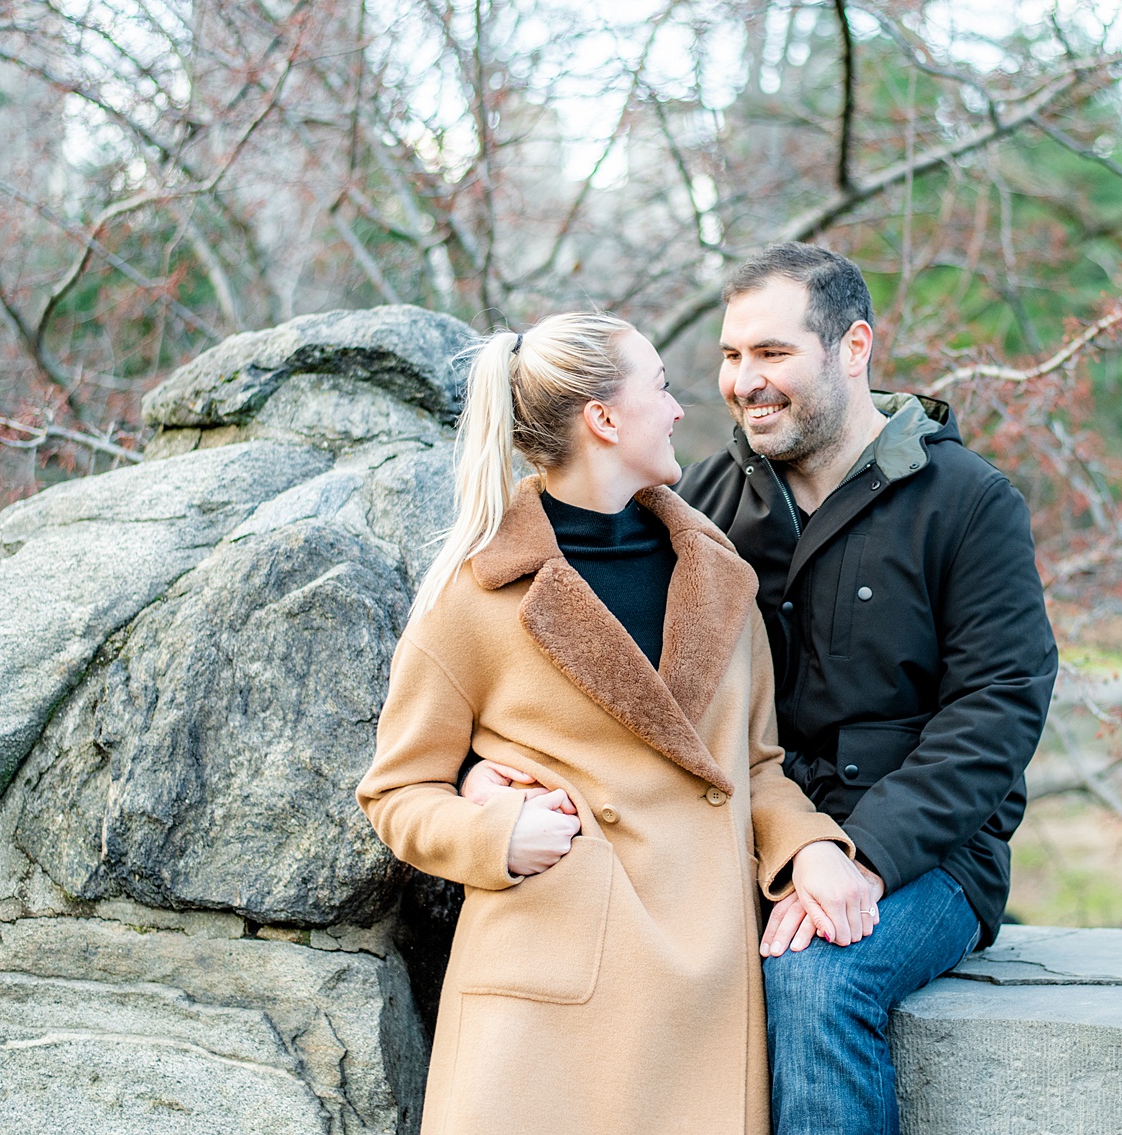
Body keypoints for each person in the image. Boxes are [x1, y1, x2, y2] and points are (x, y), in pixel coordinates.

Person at [357, 311, 880, 1135]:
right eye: (661, 388)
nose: (679, 409)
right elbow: (397, 790)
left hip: (701, 982)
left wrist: (809, 844)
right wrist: (494, 835)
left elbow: (753, 767)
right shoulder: (478, 591)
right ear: (604, 418)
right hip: (545, 1004)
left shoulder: (719, 577)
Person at [676, 243, 1058, 1135]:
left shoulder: (969, 501)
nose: (745, 382)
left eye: (773, 354)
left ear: (853, 347)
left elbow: (998, 709)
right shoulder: (704, 503)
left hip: (925, 856)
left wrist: (862, 854)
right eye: (732, 357)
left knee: (813, 978)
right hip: (755, 835)